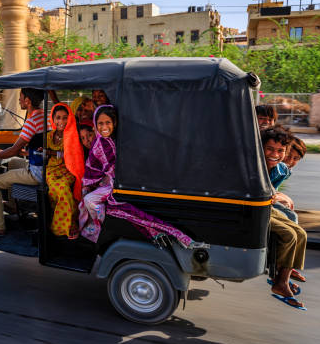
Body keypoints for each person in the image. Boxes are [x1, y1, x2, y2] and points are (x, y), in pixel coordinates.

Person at [78, 105, 203, 249]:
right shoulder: (98, 144)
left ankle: (100, 227)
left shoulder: (117, 139)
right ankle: (98, 228)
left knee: (99, 203)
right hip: (109, 183)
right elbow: (94, 167)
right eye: (100, 123)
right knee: (88, 200)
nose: (104, 126)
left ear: (114, 123)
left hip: (120, 182)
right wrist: (101, 179)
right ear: (95, 124)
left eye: (108, 123)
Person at [0, 88, 46, 236]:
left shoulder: (32, 120)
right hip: (43, 165)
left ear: (27, 101)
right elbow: (40, 144)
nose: (19, 101)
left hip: (36, 172)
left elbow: (14, 149)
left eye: (21, 98)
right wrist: (28, 152)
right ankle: (12, 205)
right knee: (13, 162)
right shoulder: (44, 115)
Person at [261, 127, 308, 310]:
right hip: (252, 211)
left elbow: (270, 191)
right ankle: (280, 281)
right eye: (270, 149)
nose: (275, 154)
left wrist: (274, 195)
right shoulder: (256, 164)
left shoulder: (274, 167)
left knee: (301, 234)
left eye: (280, 151)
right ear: (262, 148)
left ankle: (283, 278)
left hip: (265, 208)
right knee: (289, 235)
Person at [45, 103, 85, 239]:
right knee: (53, 189)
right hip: (51, 169)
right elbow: (46, 154)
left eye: (64, 118)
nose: (61, 121)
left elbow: (71, 155)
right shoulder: (49, 136)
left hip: (68, 168)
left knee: (62, 188)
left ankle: (62, 227)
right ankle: (70, 220)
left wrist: (51, 152)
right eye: (58, 118)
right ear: (53, 119)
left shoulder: (72, 134)